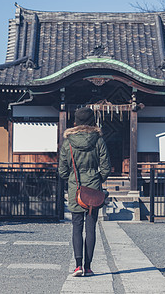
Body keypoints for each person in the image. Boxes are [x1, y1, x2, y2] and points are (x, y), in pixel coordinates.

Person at [58, 107, 111, 277]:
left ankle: (78, 266)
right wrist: (97, 179)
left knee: (76, 226)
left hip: (76, 189)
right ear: (91, 121)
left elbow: (62, 170)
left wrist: (72, 179)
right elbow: (106, 167)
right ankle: (88, 267)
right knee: (91, 227)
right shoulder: (98, 140)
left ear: (76, 122)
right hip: (93, 189)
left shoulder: (68, 142)